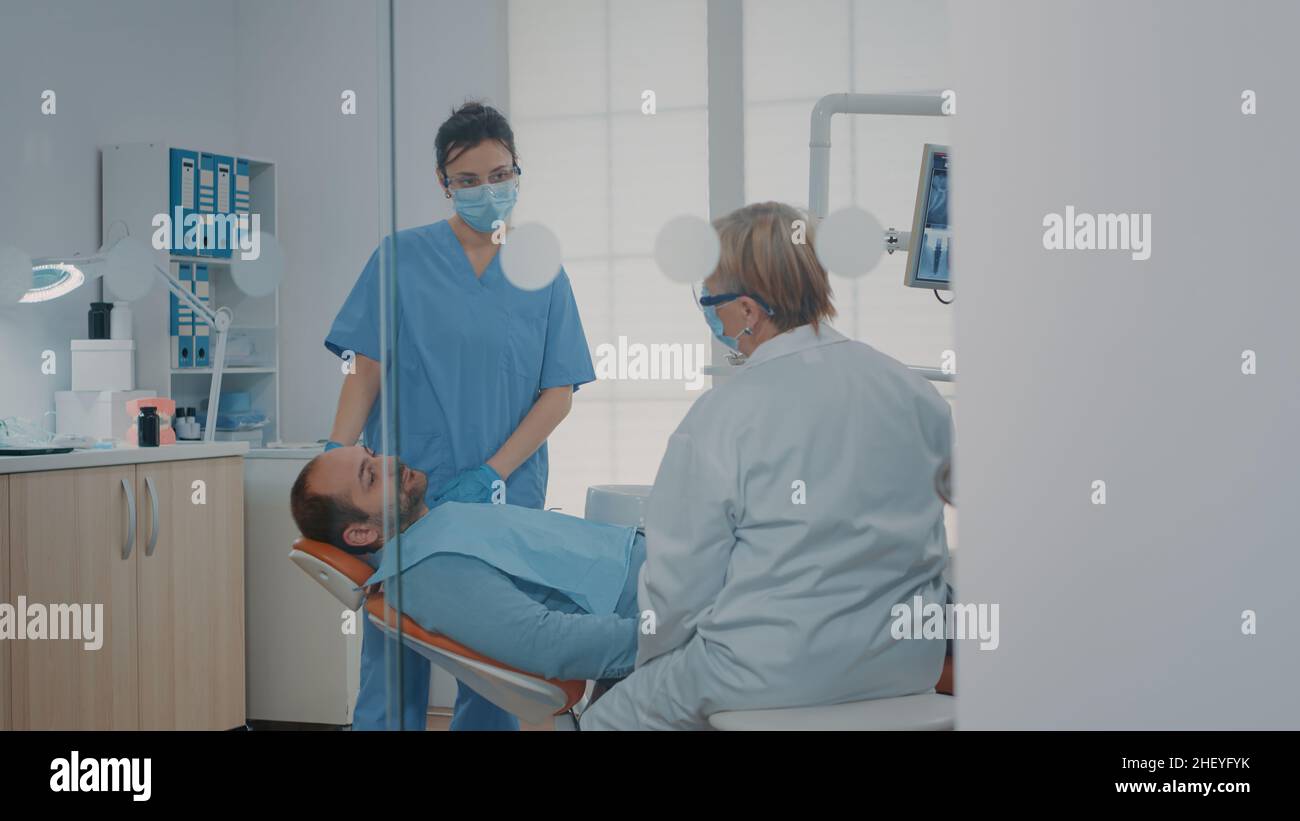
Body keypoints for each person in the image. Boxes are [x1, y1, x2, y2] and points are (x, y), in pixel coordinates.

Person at [580, 202, 955, 730]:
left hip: (767, 671)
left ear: (749, 311)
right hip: (906, 665)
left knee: (606, 719)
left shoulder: (723, 414)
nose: (710, 312)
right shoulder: (917, 394)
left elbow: (677, 589)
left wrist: (648, 667)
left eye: (711, 300)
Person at [324, 101, 596, 730]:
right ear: (444, 185)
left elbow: (558, 393)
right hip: (403, 487)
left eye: (499, 175)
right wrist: (335, 464)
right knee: (395, 645)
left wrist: (492, 472)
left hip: (504, 490)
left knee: (489, 659)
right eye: (468, 180)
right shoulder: (400, 258)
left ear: (518, 172)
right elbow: (365, 371)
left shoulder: (541, 270)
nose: (487, 191)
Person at [289, 445, 641, 684]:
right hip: (663, 601)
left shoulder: (433, 530)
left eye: (374, 453)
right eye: (371, 477)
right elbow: (547, 644)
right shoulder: (427, 569)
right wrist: (669, 629)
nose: (391, 460)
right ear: (362, 532)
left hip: (662, 572)